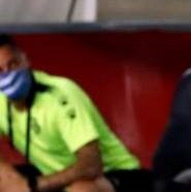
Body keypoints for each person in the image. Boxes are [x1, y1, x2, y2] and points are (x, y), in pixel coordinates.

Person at [0, 34, 150, 192]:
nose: (9, 75)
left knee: (81, 190)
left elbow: (91, 165)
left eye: (13, 64)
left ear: (25, 60)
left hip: (116, 175)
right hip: (57, 178)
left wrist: (33, 186)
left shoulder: (60, 95)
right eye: (0, 70)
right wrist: (10, 178)